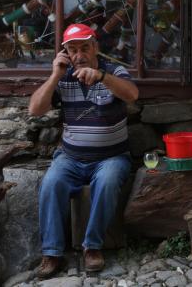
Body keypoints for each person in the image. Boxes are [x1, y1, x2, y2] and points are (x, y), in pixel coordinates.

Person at [28, 23, 139, 278]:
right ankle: (52, 252)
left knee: (109, 181)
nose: (80, 55)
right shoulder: (64, 75)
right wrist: (56, 74)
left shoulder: (113, 70)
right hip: (70, 158)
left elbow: (132, 94)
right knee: (51, 183)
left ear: (95, 47)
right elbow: (35, 110)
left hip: (111, 157)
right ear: (65, 52)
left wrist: (101, 77)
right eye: (73, 49)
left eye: (85, 48)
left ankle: (92, 247)